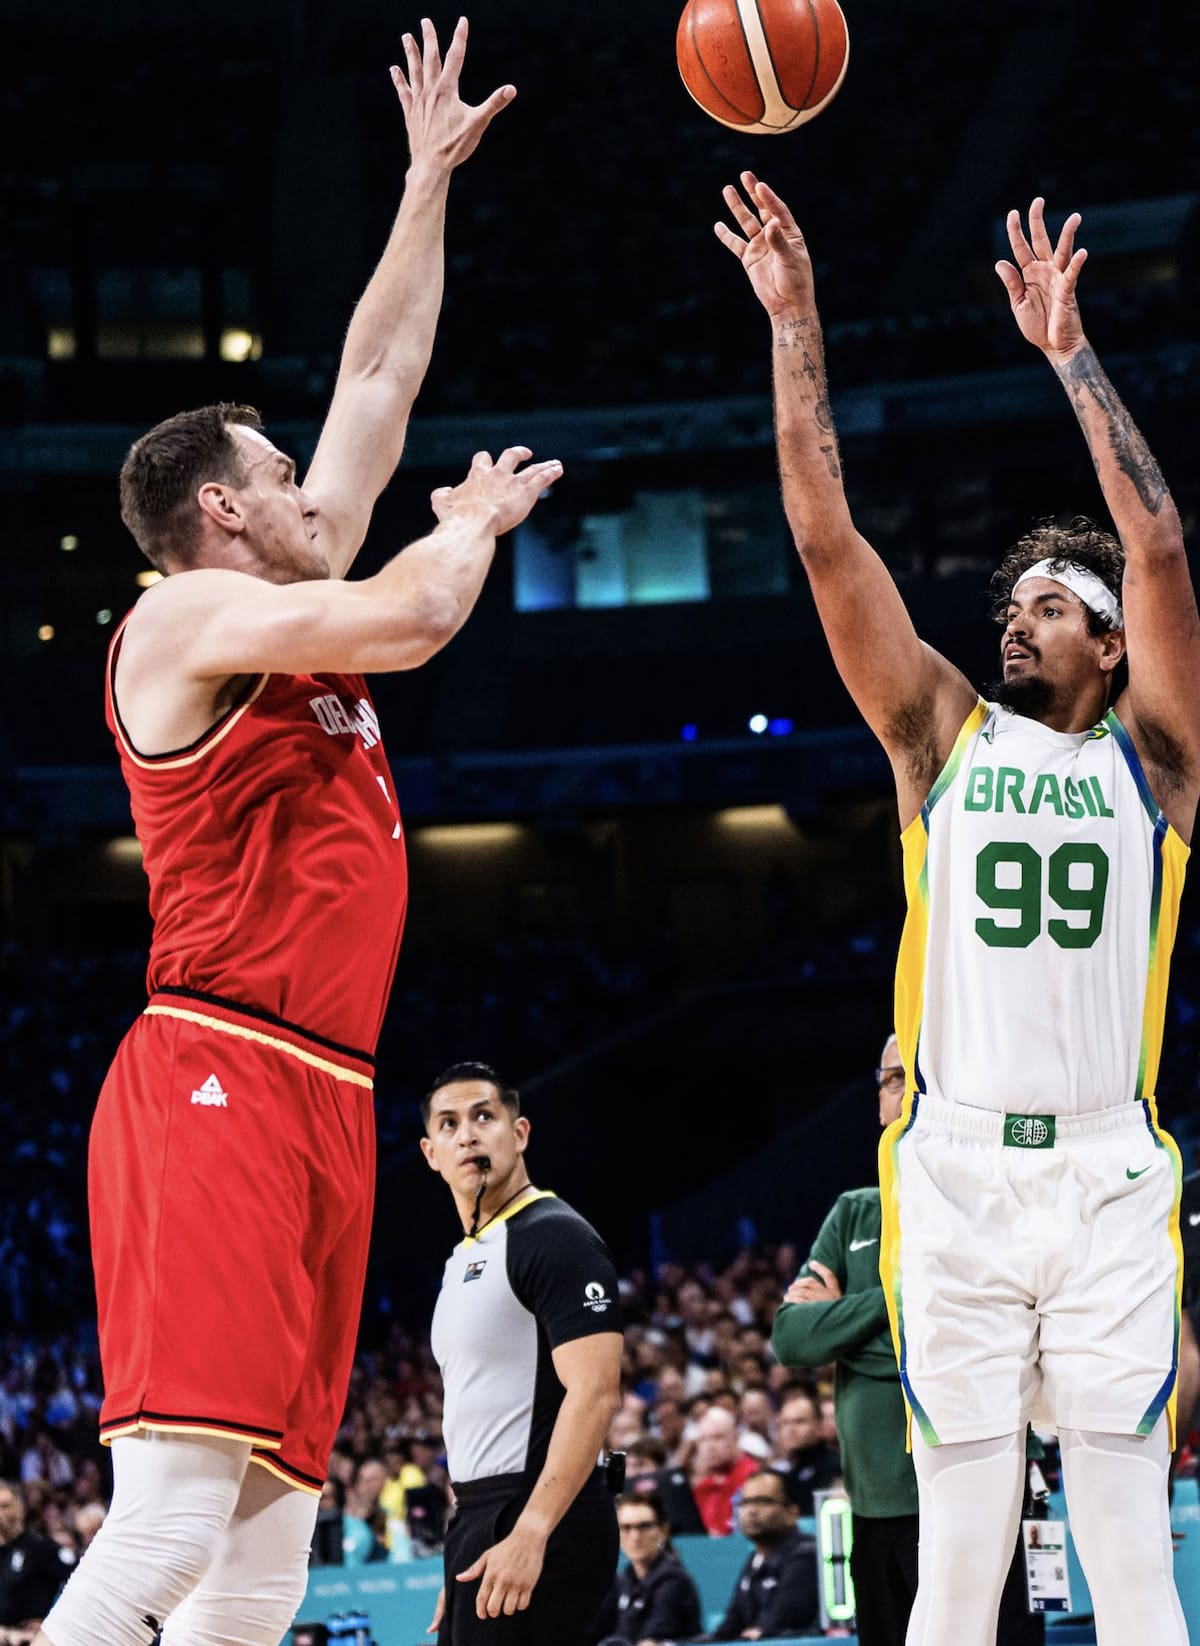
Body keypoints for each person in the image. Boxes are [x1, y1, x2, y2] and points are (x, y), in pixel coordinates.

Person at [37, 25, 561, 1646]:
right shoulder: (190, 613)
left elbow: (383, 375)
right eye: (282, 476)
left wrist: (423, 186)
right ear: (221, 512)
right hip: (214, 1070)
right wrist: (463, 528)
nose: (312, 485)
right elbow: (408, 614)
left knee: (273, 1543)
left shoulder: (282, 597)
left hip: (330, 1093)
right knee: (178, 1512)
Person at [718, 174, 1195, 1646]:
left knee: (1129, 1557)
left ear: (1109, 643)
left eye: (1049, 604)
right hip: (962, 1171)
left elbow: (1163, 542)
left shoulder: (1159, 760)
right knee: (955, 1560)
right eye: (1014, 607)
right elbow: (822, 534)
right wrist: (797, 323)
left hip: (1115, 1169)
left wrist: (1068, 353)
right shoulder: (941, 736)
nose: (1016, 617)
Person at [774, 1033, 1042, 1646]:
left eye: (914, 1078)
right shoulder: (853, 1213)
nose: (897, 1093)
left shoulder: (990, 1206)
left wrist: (843, 1323)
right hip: (873, 1505)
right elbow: (791, 1340)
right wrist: (904, 1304)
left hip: (979, 1498)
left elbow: (986, 1340)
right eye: (890, 1080)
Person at [420, 1062, 623, 1643]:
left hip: (542, 1509)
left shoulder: (556, 1236)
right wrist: (466, 1546)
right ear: (431, 1152)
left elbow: (596, 1392)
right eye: (450, 1124)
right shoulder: (463, 1258)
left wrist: (531, 1530)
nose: (469, 1134)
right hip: (484, 1516)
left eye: (484, 1116)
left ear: (520, 1133)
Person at [703, 1468, 818, 1641]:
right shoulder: (755, 1559)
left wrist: (758, 1634)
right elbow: (732, 1624)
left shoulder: (806, 1554)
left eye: (763, 1501)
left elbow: (781, 1621)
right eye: (745, 1502)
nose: (751, 1511)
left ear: (792, 1513)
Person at [589, 1491, 702, 1646]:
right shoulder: (624, 1579)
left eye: (644, 1526)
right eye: (626, 1528)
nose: (635, 1536)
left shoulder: (673, 1580)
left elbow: (653, 1639)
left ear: (663, 1530)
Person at [0, 1482, 73, 1641]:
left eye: (5, 1506)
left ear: (20, 1508)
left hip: (32, 1638)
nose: (1, 1514)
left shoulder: (40, 1547)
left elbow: (77, 1579)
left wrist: (52, 1621)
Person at [770, 1385, 839, 1514]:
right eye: (785, 1423)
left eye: (799, 1422)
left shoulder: (834, 1466)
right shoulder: (784, 1471)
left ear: (819, 1425)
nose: (791, 1430)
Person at [690, 1408, 760, 1536]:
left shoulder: (754, 1478)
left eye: (718, 1438)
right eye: (703, 1440)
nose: (709, 1447)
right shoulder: (702, 1488)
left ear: (736, 1437)